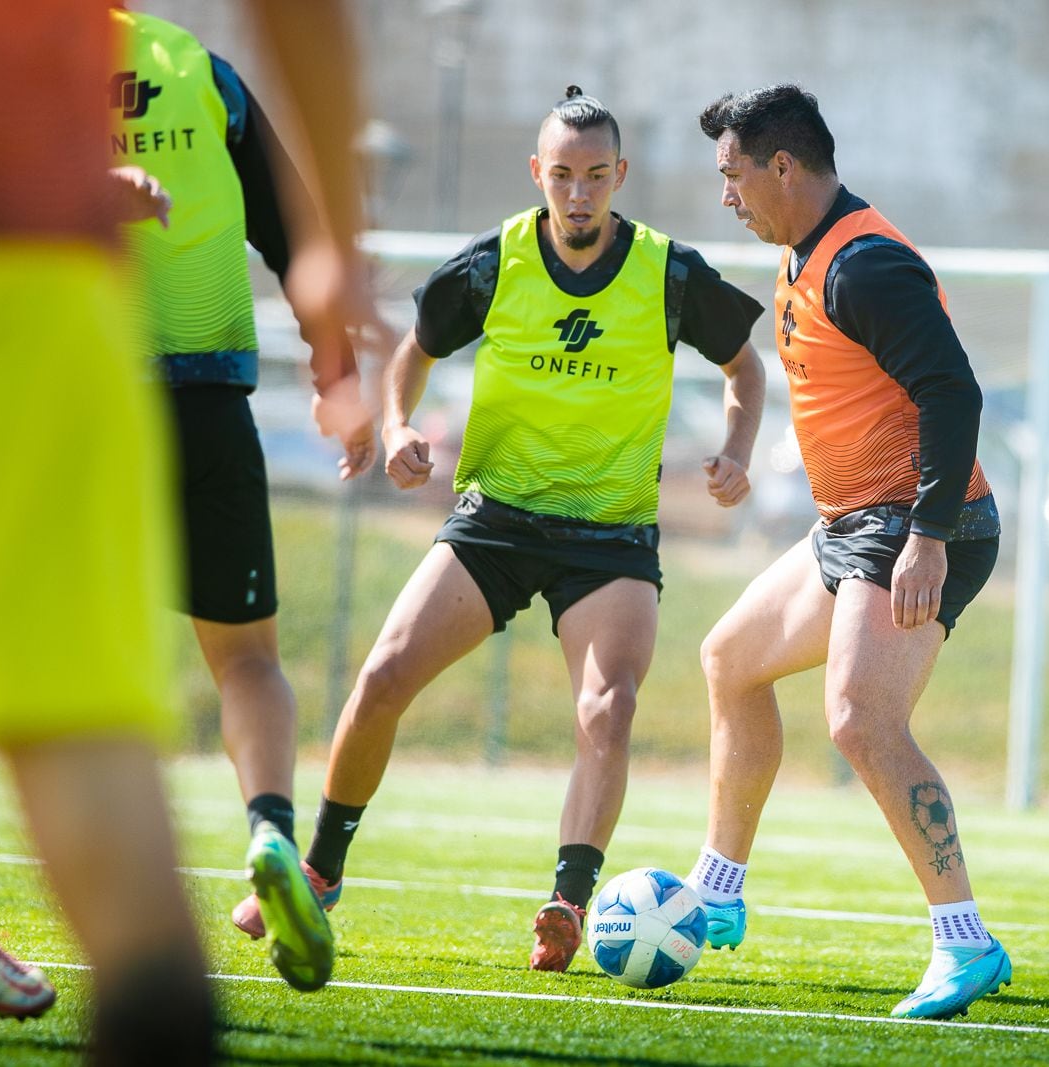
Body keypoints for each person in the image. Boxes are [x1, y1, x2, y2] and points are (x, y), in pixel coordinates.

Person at [284, 88, 766, 973]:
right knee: (385, 673)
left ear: (618, 177)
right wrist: (396, 428)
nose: (578, 194)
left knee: (608, 709)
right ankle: (317, 872)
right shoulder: (495, 262)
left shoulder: (667, 272)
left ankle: (569, 903)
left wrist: (737, 450)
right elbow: (415, 349)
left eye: (594, 176)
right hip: (494, 522)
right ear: (537, 175)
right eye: (561, 176)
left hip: (608, 536)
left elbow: (744, 364)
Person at [688, 85, 1010, 1020]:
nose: (726, 196)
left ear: (782, 166)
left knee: (861, 720)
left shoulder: (863, 264)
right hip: (852, 526)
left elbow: (955, 396)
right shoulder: (804, 253)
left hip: (916, 524)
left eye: (732, 174)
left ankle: (965, 939)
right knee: (731, 661)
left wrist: (929, 539)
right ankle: (717, 890)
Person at [112, 4, 377, 994]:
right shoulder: (201, 71)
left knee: (41, 675)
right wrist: (336, 375)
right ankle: (270, 825)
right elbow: (293, 230)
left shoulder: (23, 63)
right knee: (248, 658)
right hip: (208, 400)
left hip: (79, 392)